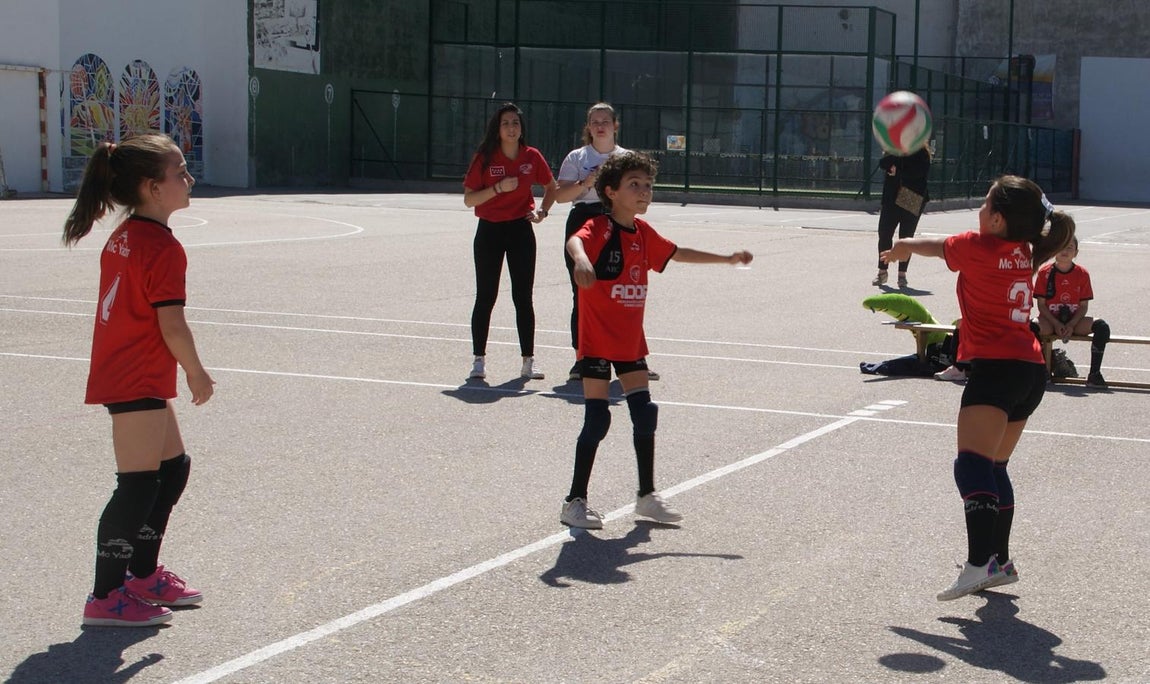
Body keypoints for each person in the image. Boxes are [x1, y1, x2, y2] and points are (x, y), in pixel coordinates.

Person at [881, 175, 1074, 600]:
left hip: (997, 371)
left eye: (986, 206)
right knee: (995, 467)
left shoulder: (979, 245)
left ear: (1000, 220)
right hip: (1029, 371)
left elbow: (936, 245)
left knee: (970, 467)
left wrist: (904, 246)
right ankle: (999, 562)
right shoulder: (1025, 250)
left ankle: (978, 563)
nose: (980, 212)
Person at [62, 134, 214, 627]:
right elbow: (171, 323)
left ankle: (143, 575)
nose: (188, 179)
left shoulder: (128, 234)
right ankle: (105, 597)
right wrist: (196, 371)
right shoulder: (161, 247)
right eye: (180, 172)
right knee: (136, 486)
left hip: (136, 368)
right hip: (134, 373)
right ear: (152, 187)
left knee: (173, 469)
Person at [560, 151, 753, 529]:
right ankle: (574, 502)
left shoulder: (643, 234)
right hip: (598, 339)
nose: (644, 192)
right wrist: (581, 261)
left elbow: (678, 253)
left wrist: (726, 258)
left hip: (630, 341)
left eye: (648, 186)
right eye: (635, 185)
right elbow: (574, 242)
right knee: (597, 419)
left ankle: (646, 497)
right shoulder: (599, 228)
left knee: (644, 412)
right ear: (611, 192)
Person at [554, 103, 659, 383]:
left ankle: (634, 359)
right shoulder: (577, 157)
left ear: (615, 125)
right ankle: (582, 358)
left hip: (618, 220)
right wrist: (586, 183)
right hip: (584, 219)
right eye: (594, 121)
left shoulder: (626, 158)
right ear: (588, 127)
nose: (600, 125)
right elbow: (561, 196)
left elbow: (640, 190)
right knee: (584, 293)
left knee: (626, 292)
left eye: (605, 121)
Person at [463, 102, 559, 381]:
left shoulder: (532, 156)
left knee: (523, 297)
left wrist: (543, 211)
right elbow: (469, 199)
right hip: (489, 230)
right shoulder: (484, 157)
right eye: (506, 123)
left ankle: (528, 361)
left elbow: (551, 186)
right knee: (486, 295)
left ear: (521, 128)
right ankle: (478, 360)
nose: (511, 128)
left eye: (515, 123)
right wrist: (497, 189)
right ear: (497, 127)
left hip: (520, 230)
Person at [1034, 237, 1110, 388]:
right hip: (1050, 319)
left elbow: (1083, 306)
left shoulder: (1082, 274)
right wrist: (1056, 324)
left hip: (1074, 320)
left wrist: (1071, 324)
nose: (1065, 251)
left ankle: (1094, 374)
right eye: (1061, 246)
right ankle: (1042, 370)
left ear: (1076, 252)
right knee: (1031, 327)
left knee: (1102, 327)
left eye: (1070, 247)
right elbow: (1041, 305)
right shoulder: (1045, 273)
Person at [873, 144, 931, 288]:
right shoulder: (893, 148)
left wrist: (897, 170)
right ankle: (882, 271)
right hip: (891, 196)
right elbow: (883, 163)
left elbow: (918, 172)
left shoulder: (921, 152)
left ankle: (902, 275)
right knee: (885, 233)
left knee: (906, 237)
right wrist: (898, 154)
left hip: (911, 196)